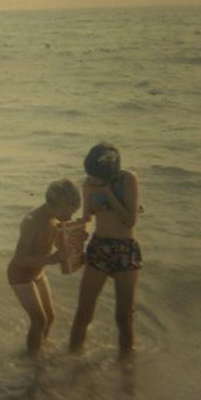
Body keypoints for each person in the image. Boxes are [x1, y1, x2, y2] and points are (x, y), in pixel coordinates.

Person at [69, 142, 142, 356]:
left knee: (123, 316)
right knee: (83, 312)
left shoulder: (128, 180)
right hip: (99, 247)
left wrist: (107, 194)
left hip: (124, 249)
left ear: (112, 172)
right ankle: (70, 363)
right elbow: (86, 218)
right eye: (90, 175)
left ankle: (126, 371)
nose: (92, 180)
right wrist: (75, 241)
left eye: (96, 176)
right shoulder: (89, 183)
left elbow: (130, 221)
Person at [8, 178, 83, 355]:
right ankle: (32, 361)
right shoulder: (32, 221)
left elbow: (56, 243)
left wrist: (75, 244)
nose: (70, 217)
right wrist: (53, 259)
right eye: (69, 212)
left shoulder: (55, 219)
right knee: (39, 320)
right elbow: (20, 258)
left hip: (38, 273)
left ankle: (40, 348)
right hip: (20, 275)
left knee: (50, 317)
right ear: (58, 205)